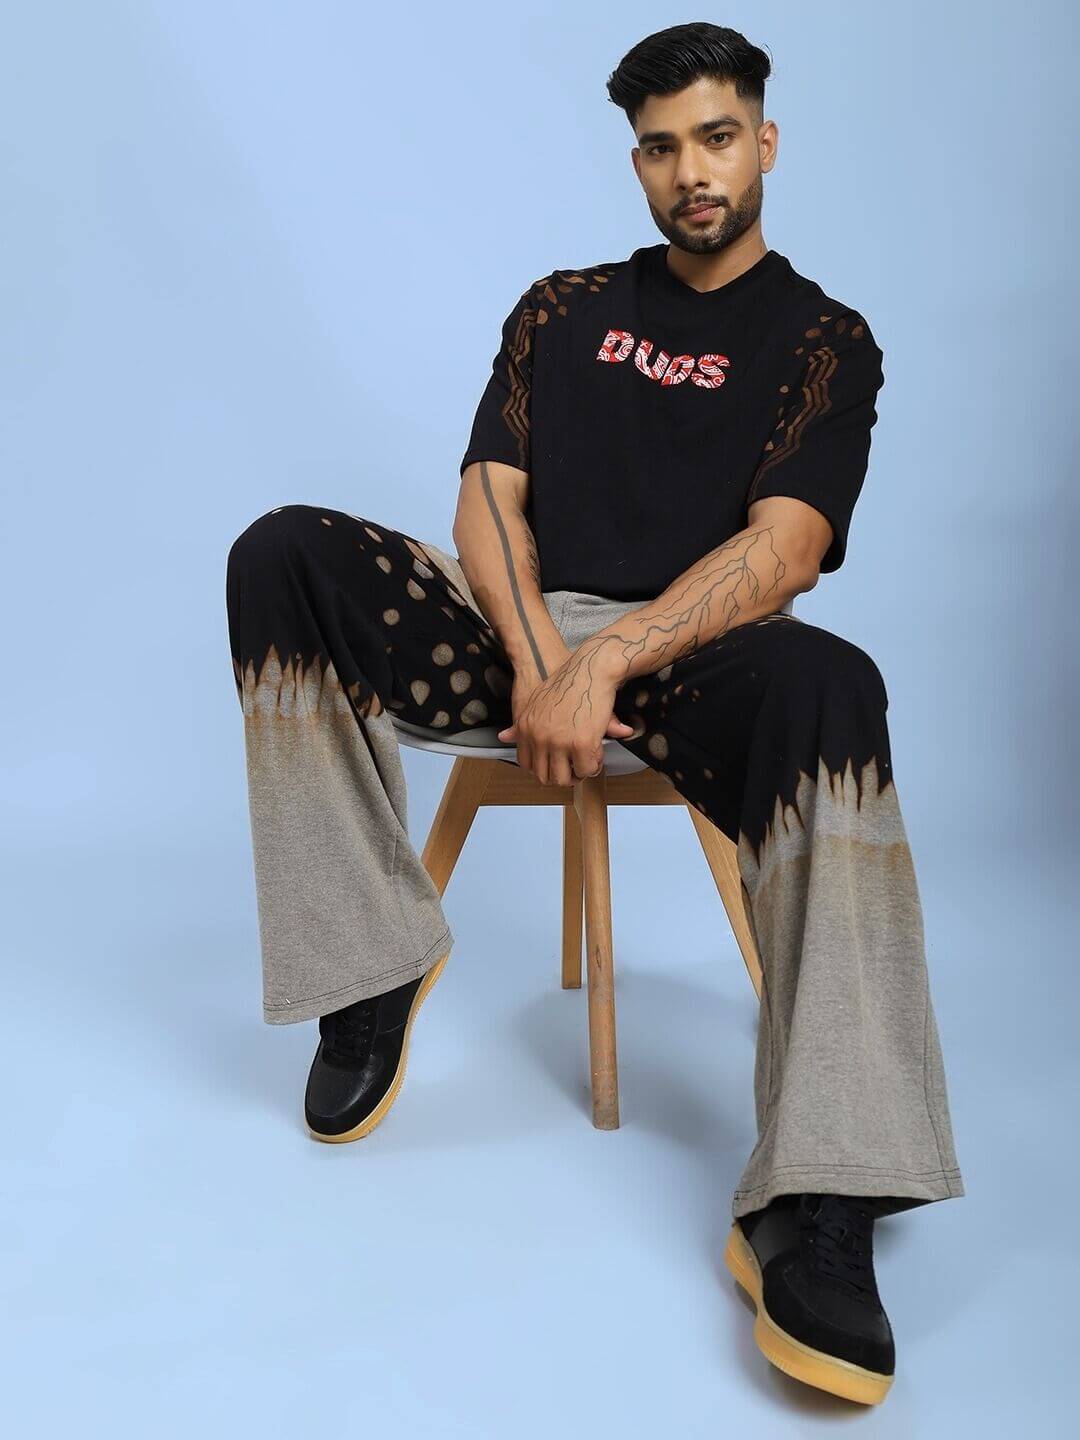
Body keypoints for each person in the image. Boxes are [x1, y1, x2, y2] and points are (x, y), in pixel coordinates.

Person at [224, 21, 965, 1407]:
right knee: (281, 555)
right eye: (667, 145)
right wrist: (535, 659)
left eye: (720, 136)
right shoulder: (563, 306)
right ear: (638, 159)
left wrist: (605, 662)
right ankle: (369, 962)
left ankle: (823, 1190)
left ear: (765, 142)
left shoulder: (822, 340)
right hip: (519, 631)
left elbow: (787, 548)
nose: (696, 170)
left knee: (836, 683)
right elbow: (488, 503)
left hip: (688, 651)